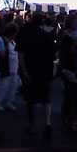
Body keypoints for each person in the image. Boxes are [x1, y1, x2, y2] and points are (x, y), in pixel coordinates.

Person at [16, 12, 57, 141]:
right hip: (45, 70)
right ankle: (47, 122)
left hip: (31, 70)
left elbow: (20, 54)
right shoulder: (47, 36)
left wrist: (24, 71)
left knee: (30, 100)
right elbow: (54, 54)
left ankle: (32, 125)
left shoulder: (25, 35)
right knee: (46, 99)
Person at [58, 14, 77, 134]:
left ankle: (66, 123)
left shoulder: (65, 35)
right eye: (76, 22)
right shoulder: (68, 37)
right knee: (71, 97)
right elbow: (73, 53)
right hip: (70, 69)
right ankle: (70, 123)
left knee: (68, 97)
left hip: (65, 68)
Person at [0, 23, 20, 111]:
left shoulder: (13, 42)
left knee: (12, 86)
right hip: (6, 67)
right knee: (2, 86)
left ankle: (8, 101)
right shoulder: (3, 41)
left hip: (14, 67)